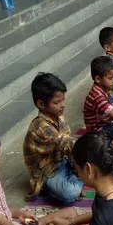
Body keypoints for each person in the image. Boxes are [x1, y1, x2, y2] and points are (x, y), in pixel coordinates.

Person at [23, 73, 84, 203]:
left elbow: (69, 147)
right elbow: (67, 143)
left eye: (63, 100)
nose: (63, 105)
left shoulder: (59, 117)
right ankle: (72, 181)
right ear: (41, 104)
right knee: (70, 193)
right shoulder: (40, 127)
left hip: (63, 160)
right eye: (57, 102)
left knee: (87, 164)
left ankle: (76, 177)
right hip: (48, 171)